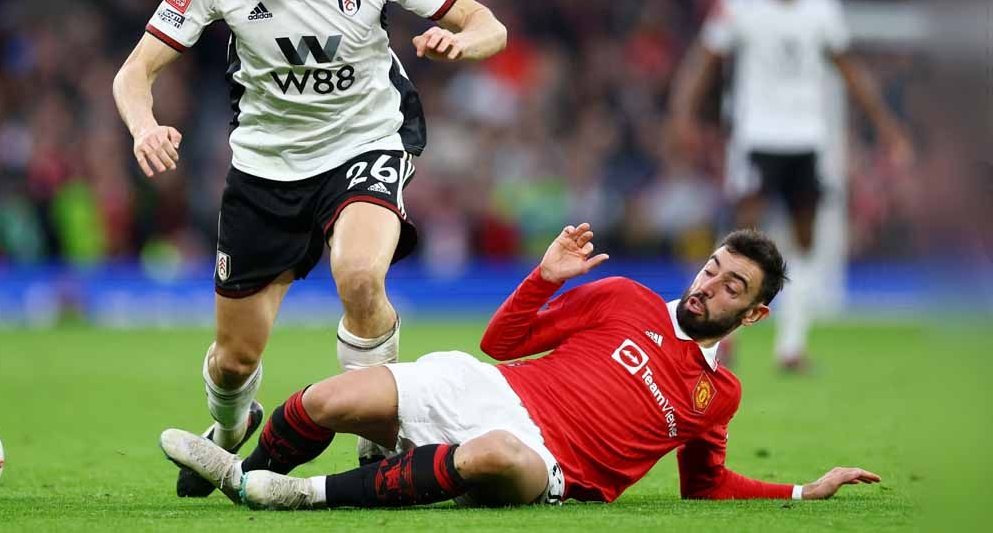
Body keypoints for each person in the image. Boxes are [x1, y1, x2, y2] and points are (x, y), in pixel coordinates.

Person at [112, 0, 507, 496]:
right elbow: (134, 73)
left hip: (367, 139)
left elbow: (487, 24)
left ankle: (378, 437)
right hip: (265, 162)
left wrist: (461, 41)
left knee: (357, 276)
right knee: (234, 360)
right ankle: (232, 426)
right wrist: (144, 126)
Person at [159, 223, 881, 509]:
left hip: (548, 462)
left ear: (753, 315)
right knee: (325, 399)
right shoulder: (624, 297)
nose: (709, 286)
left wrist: (799, 492)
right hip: (493, 384)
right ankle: (239, 468)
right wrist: (544, 276)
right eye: (713, 269)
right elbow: (503, 344)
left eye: (732, 287)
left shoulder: (716, 395)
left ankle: (294, 494)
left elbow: (707, 486)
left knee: (493, 453)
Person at [667, 0, 913, 371]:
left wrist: (886, 125)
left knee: (804, 240)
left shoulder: (821, 8)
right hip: (757, 138)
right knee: (743, 237)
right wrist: (682, 111)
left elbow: (848, 68)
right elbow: (705, 58)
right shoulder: (740, 4)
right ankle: (719, 338)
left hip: (807, 141)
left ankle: (792, 345)